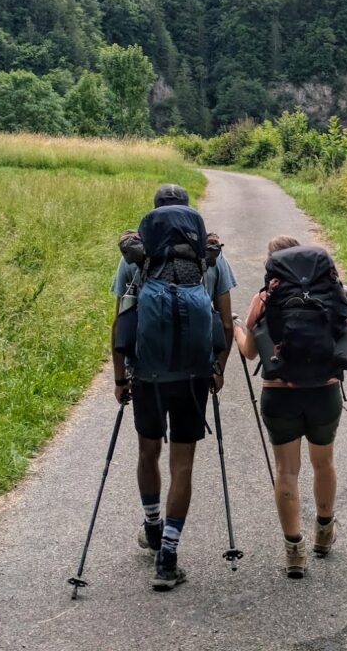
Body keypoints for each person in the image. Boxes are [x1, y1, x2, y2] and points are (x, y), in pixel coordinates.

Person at [111, 183, 236, 590]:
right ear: (189, 213)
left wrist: (119, 377)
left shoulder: (138, 258)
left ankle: (151, 526)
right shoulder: (209, 258)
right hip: (193, 374)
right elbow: (227, 323)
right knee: (183, 463)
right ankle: (168, 555)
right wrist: (218, 367)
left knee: (149, 451)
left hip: (147, 374)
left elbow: (122, 323)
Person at [234, 235, 347, 579]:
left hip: (280, 394)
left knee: (287, 472)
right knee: (324, 463)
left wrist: (235, 328)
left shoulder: (264, 298)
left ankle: (294, 551)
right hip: (324, 393)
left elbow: (249, 351)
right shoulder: (329, 294)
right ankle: (323, 531)